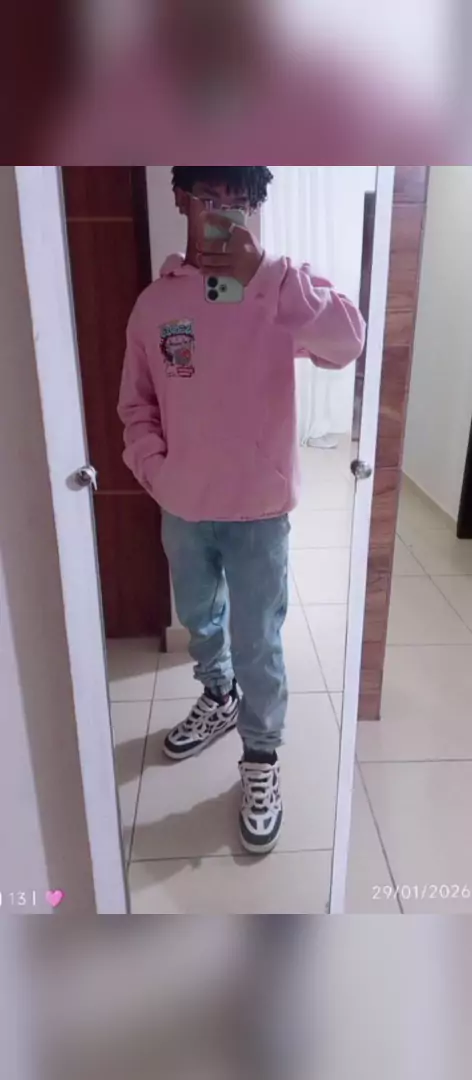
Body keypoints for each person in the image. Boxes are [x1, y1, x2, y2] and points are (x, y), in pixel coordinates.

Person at [118, 166, 365, 856]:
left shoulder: (279, 289)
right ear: (181, 200)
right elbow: (136, 403)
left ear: (256, 206)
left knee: (258, 639)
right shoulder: (155, 304)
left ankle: (260, 756)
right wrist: (158, 473)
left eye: (239, 200)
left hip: (259, 510)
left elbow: (348, 341)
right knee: (201, 620)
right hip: (184, 505)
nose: (224, 212)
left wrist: (269, 275)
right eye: (209, 197)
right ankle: (218, 695)